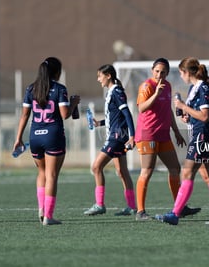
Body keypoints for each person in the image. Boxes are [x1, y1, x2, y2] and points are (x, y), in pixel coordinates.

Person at [155, 57, 209, 225]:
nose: (180, 76)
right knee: (208, 175)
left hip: (201, 136)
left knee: (187, 173)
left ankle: (175, 214)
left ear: (187, 72)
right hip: (198, 134)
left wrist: (183, 107)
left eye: (181, 73)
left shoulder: (204, 88)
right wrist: (187, 117)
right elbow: (196, 115)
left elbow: (205, 116)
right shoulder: (193, 88)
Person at [13, 57, 80, 225]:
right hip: (52, 135)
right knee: (51, 175)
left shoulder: (30, 89)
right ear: (56, 72)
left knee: (42, 173)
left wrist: (18, 138)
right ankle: (48, 216)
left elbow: (24, 115)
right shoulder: (59, 89)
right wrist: (74, 103)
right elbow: (65, 114)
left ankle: (41, 210)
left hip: (35, 136)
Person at [134, 57, 201, 221]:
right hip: (147, 134)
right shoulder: (147, 86)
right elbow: (141, 108)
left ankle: (180, 207)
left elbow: (168, 111)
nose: (159, 75)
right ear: (152, 71)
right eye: (157, 71)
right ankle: (140, 212)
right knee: (147, 171)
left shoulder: (168, 86)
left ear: (167, 73)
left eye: (163, 72)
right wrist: (156, 94)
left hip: (163, 135)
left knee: (175, 169)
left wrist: (176, 132)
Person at [83, 64, 137, 216]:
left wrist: (132, 136)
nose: (98, 79)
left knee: (96, 167)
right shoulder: (111, 93)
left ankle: (100, 204)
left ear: (108, 75)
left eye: (100, 76)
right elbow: (114, 117)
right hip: (116, 136)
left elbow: (127, 114)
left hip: (117, 138)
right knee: (122, 171)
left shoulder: (117, 91)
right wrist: (99, 123)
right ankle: (132, 206)